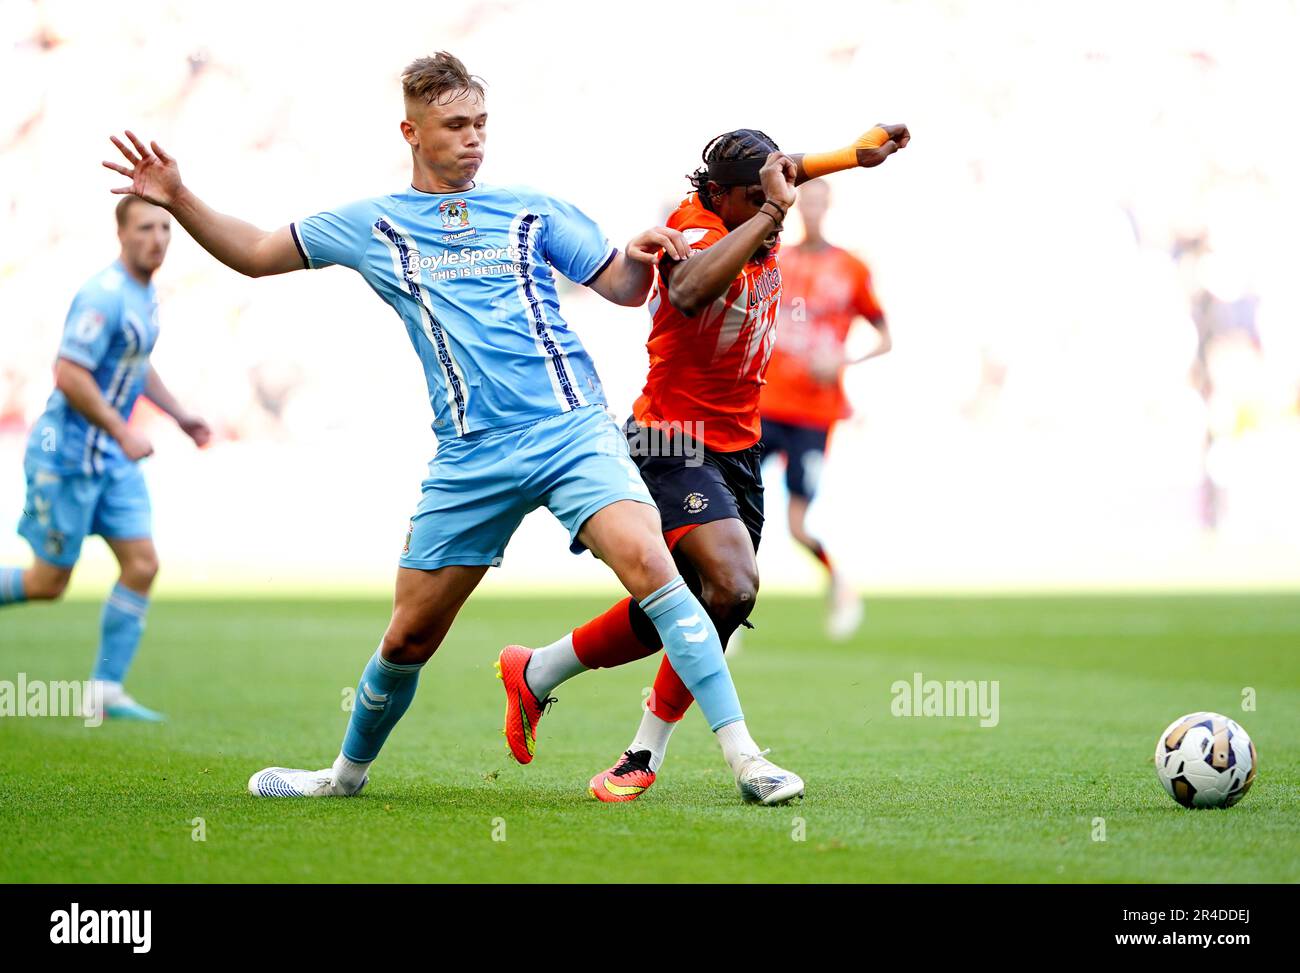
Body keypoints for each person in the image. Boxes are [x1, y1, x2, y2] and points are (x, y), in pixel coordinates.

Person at [102, 52, 803, 803]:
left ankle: (746, 760)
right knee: (408, 637)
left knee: (662, 579)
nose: (474, 139)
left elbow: (626, 289)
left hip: (574, 432)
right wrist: (178, 195)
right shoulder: (373, 224)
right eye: (456, 125)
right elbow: (256, 254)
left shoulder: (532, 207)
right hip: (472, 456)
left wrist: (644, 252)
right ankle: (343, 777)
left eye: (481, 124)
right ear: (412, 130)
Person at [496, 124, 909, 802]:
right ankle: (695, 754)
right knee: (734, 581)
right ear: (722, 195)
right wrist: (775, 210)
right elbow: (688, 292)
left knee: (706, 597)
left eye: (778, 189)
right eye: (761, 197)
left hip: (737, 444)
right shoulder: (694, 226)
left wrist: (852, 157)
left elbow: (786, 169)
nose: (780, 204)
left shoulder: (756, 199)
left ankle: (539, 672)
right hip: (669, 437)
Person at [0, 197, 212, 722]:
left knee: (142, 564)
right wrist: (121, 430)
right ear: (121, 233)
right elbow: (69, 372)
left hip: (112, 462)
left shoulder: (146, 296)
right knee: (49, 584)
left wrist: (181, 416)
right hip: (67, 458)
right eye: (145, 227)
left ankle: (105, 693)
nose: (158, 238)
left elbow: (137, 367)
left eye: (165, 227)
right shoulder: (103, 295)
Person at [759, 178, 892, 640]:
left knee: (797, 525)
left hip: (814, 415)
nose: (812, 209)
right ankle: (724, 607)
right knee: (734, 508)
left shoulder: (851, 268)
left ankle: (839, 584)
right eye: (806, 201)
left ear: (828, 205)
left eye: (819, 201)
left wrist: (843, 359)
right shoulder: (778, 260)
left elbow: (884, 337)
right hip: (765, 405)